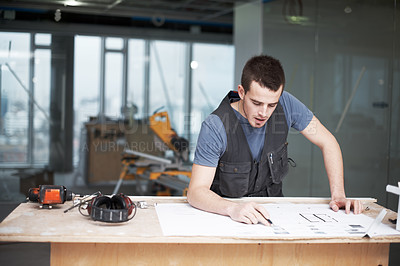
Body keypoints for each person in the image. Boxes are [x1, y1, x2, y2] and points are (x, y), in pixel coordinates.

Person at [187, 54, 363, 226]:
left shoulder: (286, 104)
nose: (264, 112)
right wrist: (232, 209)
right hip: (227, 217)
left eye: (272, 105)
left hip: (274, 216)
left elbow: (328, 142)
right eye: (256, 103)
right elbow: (196, 192)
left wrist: (339, 195)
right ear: (241, 92)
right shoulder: (215, 127)